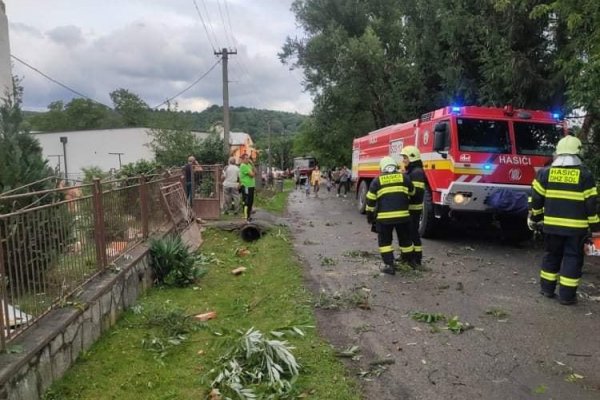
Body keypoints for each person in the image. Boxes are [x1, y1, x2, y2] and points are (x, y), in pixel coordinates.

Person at [529, 135, 600, 305]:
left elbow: (536, 198)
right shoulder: (585, 175)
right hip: (576, 229)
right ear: (578, 152)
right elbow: (591, 204)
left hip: (552, 226)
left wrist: (536, 217)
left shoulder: (545, 173)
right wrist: (596, 228)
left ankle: (547, 289)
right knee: (572, 258)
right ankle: (567, 297)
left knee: (551, 255)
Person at [365, 156, 414, 275]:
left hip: (384, 219)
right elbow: (412, 192)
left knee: (385, 242)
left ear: (382, 168)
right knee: (405, 240)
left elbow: (370, 201)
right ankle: (408, 262)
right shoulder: (404, 177)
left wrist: (370, 216)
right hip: (403, 217)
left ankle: (389, 265)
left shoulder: (377, 180)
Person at [400, 146, 425, 267]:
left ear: (412, 157)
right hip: (409, 209)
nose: (404, 160)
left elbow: (416, 193)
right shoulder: (412, 171)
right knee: (407, 234)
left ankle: (416, 260)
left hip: (413, 209)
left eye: (405, 157)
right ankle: (408, 258)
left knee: (413, 234)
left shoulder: (417, 173)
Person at [239, 153, 256, 222]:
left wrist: (252, 164)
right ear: (242, 159)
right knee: (247, 201)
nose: (248, 160)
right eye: (246, 158)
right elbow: (252, 175)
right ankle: (246, 216)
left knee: (251, 201)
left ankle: (249, 215)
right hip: (246, 186)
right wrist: (253, 173)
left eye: (248, 158)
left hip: (251, 186)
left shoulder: (249, 165)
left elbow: (256, 172)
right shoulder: (243, 166)